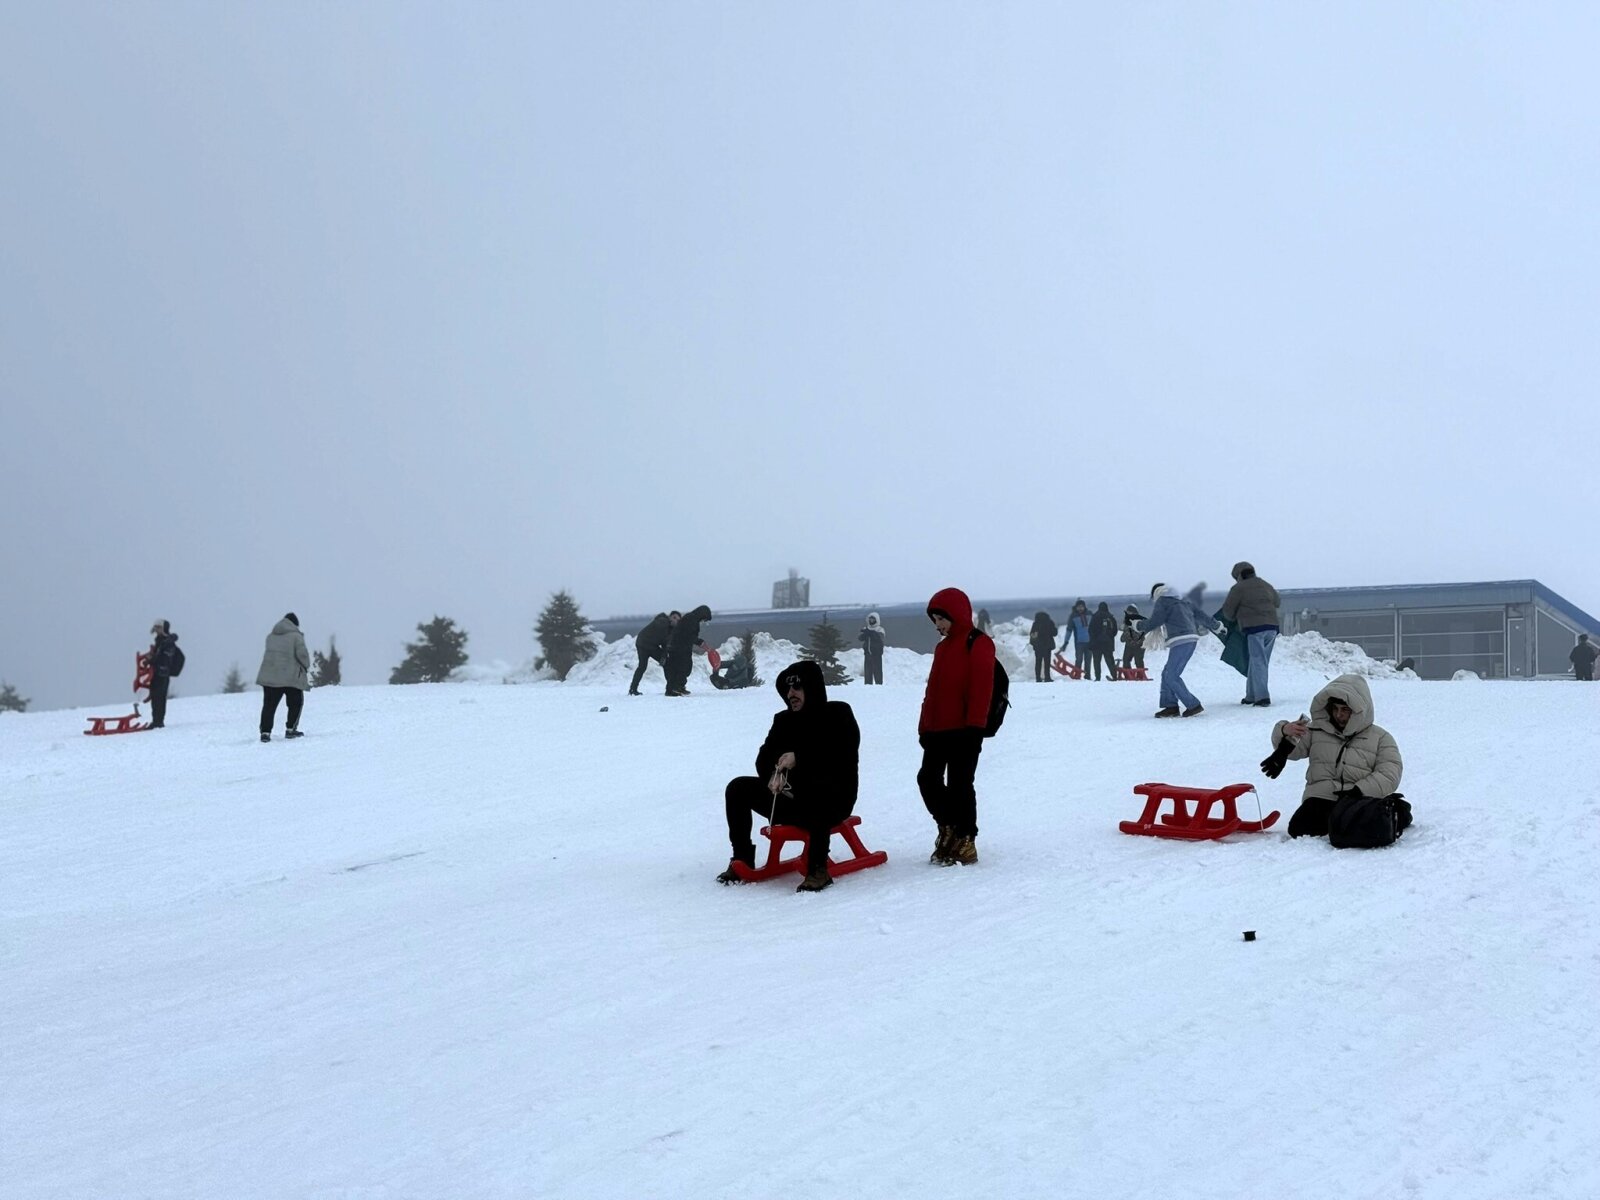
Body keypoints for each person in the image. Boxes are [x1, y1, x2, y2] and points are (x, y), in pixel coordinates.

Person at [717, 659, 860, 893]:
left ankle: (818, 869)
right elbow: (763, 758)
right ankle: (742, 858)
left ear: (812, 688)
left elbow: (840, 753)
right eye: (788, 689)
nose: (791, 693)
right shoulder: (783, 721)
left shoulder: (838, 714)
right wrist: (773, 776)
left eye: (797, 688)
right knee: (737, 788)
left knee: (818, 791)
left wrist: (800, 757)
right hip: (789, 798)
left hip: (831, 799)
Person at [1265, 674, 1404, 840]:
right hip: (1321, 797)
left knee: (1364, 829)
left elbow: (1390, 772)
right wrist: (1283, 732)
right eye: (1335, 709)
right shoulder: (1315, 730)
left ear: (1359, 711)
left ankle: (1392, 810)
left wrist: (1360, 790)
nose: (1339, 715)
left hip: (1360, 799)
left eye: (1345, 710)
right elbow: (1295, 751)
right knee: (1299, 829)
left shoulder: (1381, 737)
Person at [918, 587, 995, 866]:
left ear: (957, 614)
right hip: (937, 731)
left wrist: (975, 728)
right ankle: (948, 826)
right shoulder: (942, 648)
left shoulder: (978, 643)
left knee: (960, 785)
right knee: (927, 779)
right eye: (934, 620)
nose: (938, 625)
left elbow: (981, 688)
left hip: (965, 730)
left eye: (942, 619)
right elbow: (933, 691)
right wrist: (924, 727)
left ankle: (965, 839)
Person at [1137, 583, 1221, 717]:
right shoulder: (1184, 600)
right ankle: (1170, 706)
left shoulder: (1163, 601)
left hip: (1181, 639)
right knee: (1167, 673)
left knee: (1171, 675)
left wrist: (1139, 625)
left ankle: (1193, 705)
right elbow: (1200, 615)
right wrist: (1216, 626)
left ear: (1156, 593)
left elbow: (1156, 621)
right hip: (1190, 639)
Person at [1222, 561, 1281, 707]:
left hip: (1255, 628)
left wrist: (1235, 619)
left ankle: (1262, 697)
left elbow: (1228, 611)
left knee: (1257, 661)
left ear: (1239, 575)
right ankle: (1251, 695)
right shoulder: (1266, 584)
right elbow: (1277, 602)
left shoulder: (1238, 588)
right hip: (1272, 627)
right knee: (1259, 661)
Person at [255, 612, 310, 742]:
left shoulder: (271, 636)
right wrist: (306, 666)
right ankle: (291, 729)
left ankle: (265, 732)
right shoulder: (296, 636)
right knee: (295, 703)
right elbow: (302, 655)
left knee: (269, 705)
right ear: (295, 624)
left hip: (270, 677)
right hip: (290, 677)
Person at [664, 605, 713, 696]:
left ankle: (677, 687)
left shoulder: (690, 618)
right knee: (682, 668)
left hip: (679, 647)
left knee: (682, 668)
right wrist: (700, 642)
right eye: (704, 619)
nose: (703, 622)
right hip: (679, 647)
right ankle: (675, 688)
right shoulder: (691, 620)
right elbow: (689, 636)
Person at [629, 610, 678, 696]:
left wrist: (664, 656)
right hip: (644, 644)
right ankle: (633, 689)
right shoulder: (663, 621)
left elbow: (665, 644)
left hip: (649, 645)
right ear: (670, 617)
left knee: (665, 663)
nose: (675, 620)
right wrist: (663, 656)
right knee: (643, 666)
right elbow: (664, 641)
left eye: (678, 619)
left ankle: (671, 688)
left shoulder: (669, 628)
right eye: (674, 617)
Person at [146, 620, 184, 729]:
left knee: (159, 697)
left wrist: (152, 660)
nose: (156, 630)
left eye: (158, 627)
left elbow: (163, 659)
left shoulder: (168, 643)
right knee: (155, 697)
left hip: (162, 674)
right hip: (157, 673)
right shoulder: (160, 642)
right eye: (156, 627)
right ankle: (156, 720)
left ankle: (158, 722)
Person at [1088, 601, 1119, 681]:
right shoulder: (1110, 617)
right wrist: (1109, 637)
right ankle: (1114, 675)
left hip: (1096, 644)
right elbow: (1115, 630)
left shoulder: (1095, 617)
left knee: (1096, 661)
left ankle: (1097, 677)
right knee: (1109, 660)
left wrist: (1094, 638)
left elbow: (1090, 630)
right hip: (1108, 643)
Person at [1062, 599, 1091, 678]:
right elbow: (1069, 630)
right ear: (1076, 607)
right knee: (1079, 660)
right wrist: (1066, 642)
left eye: (1082, 607)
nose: (1080, 608)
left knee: (1088, 660)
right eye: (1079, 607)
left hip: (1090, 642)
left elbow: (1095, 626)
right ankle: (1077, 675)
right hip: (1079, 642)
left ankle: (1087, 676)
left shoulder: (1090, 614)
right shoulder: (1073, 616)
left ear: (1084, 607)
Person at [1028, 610, 1058, 682]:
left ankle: (1038, 678)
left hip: (1038, 646)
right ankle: (1047, 677)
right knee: (1047, 663)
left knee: (1038, 662)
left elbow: (1032, 634)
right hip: (1047, 646)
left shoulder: (1036, 623)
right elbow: (1054, 633)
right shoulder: (1050, 622)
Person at [858, 612, 886, 685]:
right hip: (867, 654)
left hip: (876, 654)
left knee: (877, 671)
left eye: (873, 619)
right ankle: (868, 685)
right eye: (870, 619)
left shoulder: (880, 629)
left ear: (877, 620)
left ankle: (879, 685)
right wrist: (865, 634)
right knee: (867, 672)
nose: (871, 621)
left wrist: (870, 633)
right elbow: (860, 638)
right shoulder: (867, 628)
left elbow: (879, 638)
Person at [1120, 605, 1147, 673]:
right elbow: (1126, 632)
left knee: (1138, 661)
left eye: (1129, 612)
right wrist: (1123, 637)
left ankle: (1140, 675)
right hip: (1129, 644)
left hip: (1139, 644)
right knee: (1125, 660)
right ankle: (1128, 674)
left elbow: (1141, 633)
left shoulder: (1139, 620)